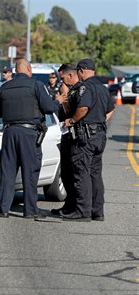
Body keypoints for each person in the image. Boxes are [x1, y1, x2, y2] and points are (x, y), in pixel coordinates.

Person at [0, 59, 66, 219]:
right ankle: (30, 210)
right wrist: (57, 102)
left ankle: (3, 209)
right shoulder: (36, 85)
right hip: (29, 134)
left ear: (15, 71)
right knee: (30, 172)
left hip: (9, 133)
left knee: (8, 172)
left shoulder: (4, 87)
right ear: (28, 69)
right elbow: (48, 108)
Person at [61, 59, 115, 222]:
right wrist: (99, 122)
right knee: (95, 174)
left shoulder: (86, 87)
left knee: (81, 172)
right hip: (99, 135)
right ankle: (97, 211)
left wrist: (72, 121)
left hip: (85, 137)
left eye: (78, 71)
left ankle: (83, 211)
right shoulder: (102, 88)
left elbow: (83, 108)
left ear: (82, 70)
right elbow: (111, 109)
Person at [50, 64, 82, 216]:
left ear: (70, 75)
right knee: (66, 173)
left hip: (74, 136)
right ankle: (69, 205)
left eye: (62, 78)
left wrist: (63, 99)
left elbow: (71, 113)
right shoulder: (71, 89)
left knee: (73, 174)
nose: (61, 82)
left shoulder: (78, 90)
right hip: (64, 134)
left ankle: (76, 207)